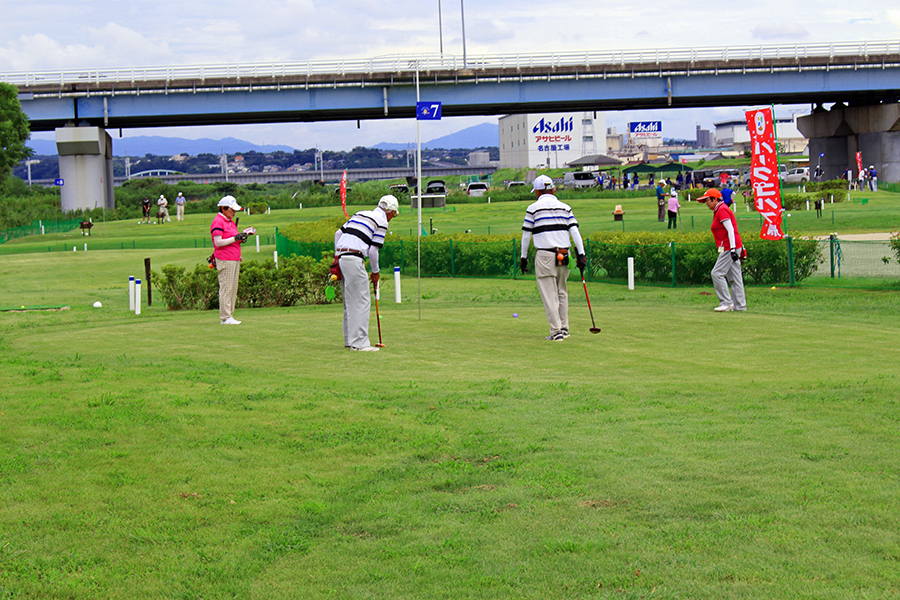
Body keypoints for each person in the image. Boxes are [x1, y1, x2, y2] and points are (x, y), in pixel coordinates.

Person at [520, 174, 586, 341]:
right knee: (561, 291)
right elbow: (575, 232)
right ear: (553, 189)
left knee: (549, 295)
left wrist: (523, 257)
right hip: (564, 253)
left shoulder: (533, 208)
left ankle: (556, 331)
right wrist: (581, 254)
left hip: (545, 254)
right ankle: (564, 328)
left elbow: (526, 236)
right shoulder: (565, 207)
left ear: (537, 192)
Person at [334, 195, 398, 351]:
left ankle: (350, 340)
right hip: (354, 259)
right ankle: (360, 343)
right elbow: (373, 250)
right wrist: (375, 272)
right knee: (362, 301)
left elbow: (338, 234)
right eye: (394, 215)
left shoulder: (360, 213)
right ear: (390, 212)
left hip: (341, 258)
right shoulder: (382, 222)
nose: (392, 218)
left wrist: (337, 255)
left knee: (350, 301)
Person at [697, 188, 746, 312]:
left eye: (707, 200)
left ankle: (726, 302)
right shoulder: (719, 209)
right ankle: (740, 306)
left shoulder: (722, 209)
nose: (706, 203)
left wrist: (733, 249)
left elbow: (730, 229)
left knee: (717, 273)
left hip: (729, 247)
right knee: (735, 278)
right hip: (733, 246)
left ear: (714, 199)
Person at [211, 195, 252, 325]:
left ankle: (230, 315)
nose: (234, 212)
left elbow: (233, 237)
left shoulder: (230, 221)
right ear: (224, 208)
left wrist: (242, 236)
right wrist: (236, 238)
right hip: (225, 258)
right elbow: (218, 242)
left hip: (234, 258)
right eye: (232, 210)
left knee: (233, 288)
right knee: (226, 288)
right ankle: (225, 317)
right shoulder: (218, 222)